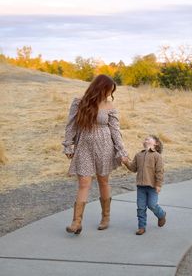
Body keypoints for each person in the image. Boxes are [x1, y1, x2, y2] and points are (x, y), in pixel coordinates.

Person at [62, 74, 128, 234]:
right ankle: (76, 222)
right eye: (107, 90)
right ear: (99, 88)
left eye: (111, 92)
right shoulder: (79, 102)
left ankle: (105, 217)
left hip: (105, 146)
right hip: (84, 146)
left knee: (103, 181)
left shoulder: (110, 107)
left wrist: (121, 151)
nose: (108, 94)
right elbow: (71, 125)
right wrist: (68, 145)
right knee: (84, 183)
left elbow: (115, 131)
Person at [122, 135, 166, 235]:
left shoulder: (157, 156)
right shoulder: (138, 155)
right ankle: (141, 227)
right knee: (140, 207)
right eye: (145, 139)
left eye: (148, 138)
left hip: (152, 186)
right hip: (141, 187)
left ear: (156, 143)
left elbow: (160, 172)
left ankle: (161, 214)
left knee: (152, 205)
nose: (145, 140)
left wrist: (159, 185)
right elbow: (133, 168)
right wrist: (126, 162)